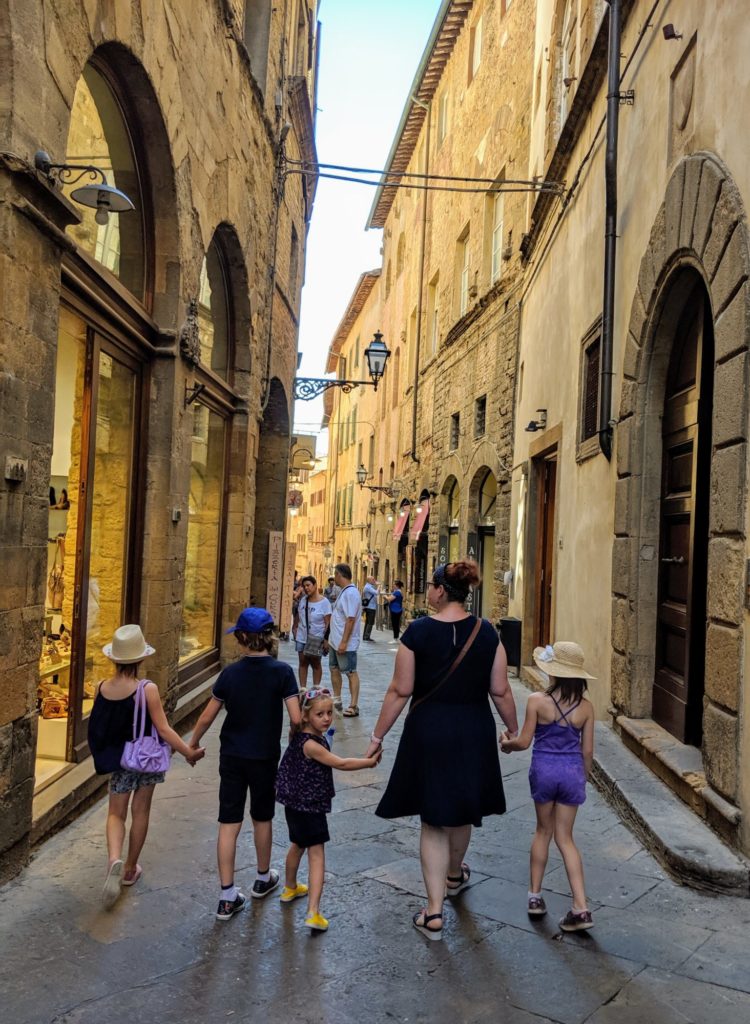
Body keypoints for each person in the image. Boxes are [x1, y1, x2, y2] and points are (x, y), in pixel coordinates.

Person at [366, 561, 519, 941]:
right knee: (462, 810)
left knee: (432, 820)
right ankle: (454, 875)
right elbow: (500, 690)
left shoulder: (416, 633)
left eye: (431, 587)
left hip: (428, 730)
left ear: (438, 590)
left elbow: (400, 690)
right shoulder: (487, 633)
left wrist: (377, 735)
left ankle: (433, 912)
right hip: (473, 730)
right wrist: (513, 730)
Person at [188, 608, 301, 921]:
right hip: (264, 756)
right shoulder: (282, 673)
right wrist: (297, 743)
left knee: (229, 821)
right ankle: (263, 878)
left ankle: (227, 895)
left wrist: (192, 744)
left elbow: (208, 715)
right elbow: (295, 717)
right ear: (269, 637)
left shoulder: (230, 674)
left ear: (241, 639)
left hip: (233, 755)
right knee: (262, 817)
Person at [88, 624, 205, 908]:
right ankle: (129, 869)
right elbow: (164, 730)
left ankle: (114, 858)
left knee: (116, 813)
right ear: (140, 658)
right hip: (147, 759)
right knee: (141, 811)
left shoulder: (102, 688)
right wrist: (188, 751)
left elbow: (99, 727)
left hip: (120, 761)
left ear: (114, 659)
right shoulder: (147, 689)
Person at [500, 641, 596, 932]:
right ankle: (581, 907)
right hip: (571, 772)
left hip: (543, 770)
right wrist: (584, 775)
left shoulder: (537, 701)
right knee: (565, 838)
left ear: (552, 672)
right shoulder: (587, 708)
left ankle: (535, 897)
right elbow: (588, 751)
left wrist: (507, 744)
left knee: (543, 831)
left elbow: (524, 741)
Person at [276, 688, 382, 931]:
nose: (326, 718)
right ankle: (313, 912)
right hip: (310, 807)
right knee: (316, 854)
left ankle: (289, 887)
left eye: (328, 713)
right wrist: (369, 762)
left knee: (297, 845)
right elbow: (340, 763)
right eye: (319, 714)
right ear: (305, 716)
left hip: (293, 805)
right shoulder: (312, 744)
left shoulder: (298, 737)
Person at [327, 563, 362, 717]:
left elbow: (350, 619)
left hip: (344, 642)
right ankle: (337, 699)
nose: (334, 578)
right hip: (335, 641)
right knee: (334, 668)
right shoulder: (344, 592)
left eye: (335, 575)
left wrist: (344, 642)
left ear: (339, 575)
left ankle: (354, 705)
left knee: (350, 672)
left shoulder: (351, 593)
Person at [292, 575, 332, 688]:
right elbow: (299, 614)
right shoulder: (303, 600)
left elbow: (328, 623)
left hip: (316, 637)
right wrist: (294, 627)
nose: (306, 588)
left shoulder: (325, 603)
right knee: (302, 662)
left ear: (315, 585)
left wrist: (326, 640)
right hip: (301, 636)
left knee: (316, 664)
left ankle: (316, 688)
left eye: (308, 585)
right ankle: (303, 689)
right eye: (304, 586)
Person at [361, 575, 378, 641]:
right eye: (373, 579)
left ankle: (365, 636)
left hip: (370, 606)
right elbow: (376, 593)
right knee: (370, 622)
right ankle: (366, 637)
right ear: (369, 580)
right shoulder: (368, 587)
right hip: (370, 607)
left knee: (368, 622)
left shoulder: (369, 586)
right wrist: (379, 586)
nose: (374, 580)